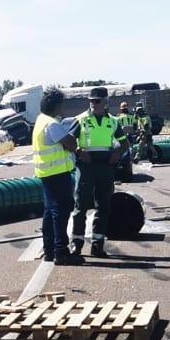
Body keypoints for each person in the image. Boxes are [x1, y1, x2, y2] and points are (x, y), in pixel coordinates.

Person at [30, 88, 81, 265]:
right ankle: (61, 252)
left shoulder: (40, 121)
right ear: (57, 105)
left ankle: (49, 250)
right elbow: (70, 144)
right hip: (57, 173)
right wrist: (73, 135)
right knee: (61, 212)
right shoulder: (52, 124)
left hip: (46, 173)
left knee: (49, 212)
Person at [71, 87, 123, 257]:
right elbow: (69, 142)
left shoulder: (114, 122)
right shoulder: (80, 120)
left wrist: (118, 151)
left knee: (104, 207)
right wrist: (79, 151)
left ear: (105, 102)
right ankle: (76, 243)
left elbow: (124, 142)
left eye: (97, 101)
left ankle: (97, 244)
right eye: (91, 101)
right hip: (86, 168)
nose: (93, 104)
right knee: (80, 206)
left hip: (106, 168)